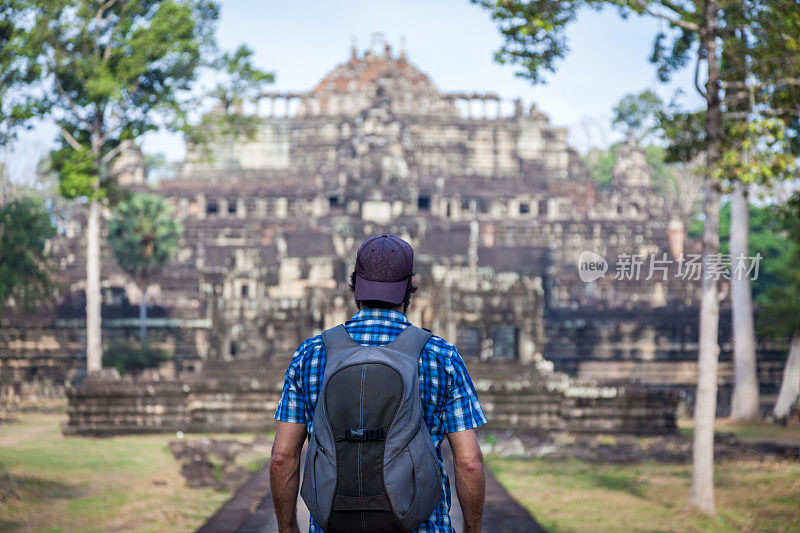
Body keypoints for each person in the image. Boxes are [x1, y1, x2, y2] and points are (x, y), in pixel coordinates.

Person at [271, 234, 487, 533]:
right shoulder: (440, 355)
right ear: (411, 285)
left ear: (354, 285)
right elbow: (469, 462)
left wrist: (287, 528)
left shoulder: (310, 354)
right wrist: (473, 529)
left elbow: (283, 457)